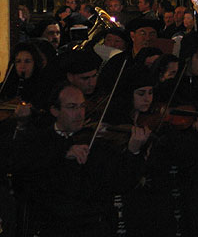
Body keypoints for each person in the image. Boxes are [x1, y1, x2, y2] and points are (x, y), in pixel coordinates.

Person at [9, 82, 150, 237]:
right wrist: (63, 152)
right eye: (71, 107)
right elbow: (20, 167)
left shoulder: (97, 142)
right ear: (55, 110)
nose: (80, 113)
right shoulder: (40, 141)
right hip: (53, 227)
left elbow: (121, 182)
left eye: (82, 106)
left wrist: (133, 151)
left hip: (95, 226)